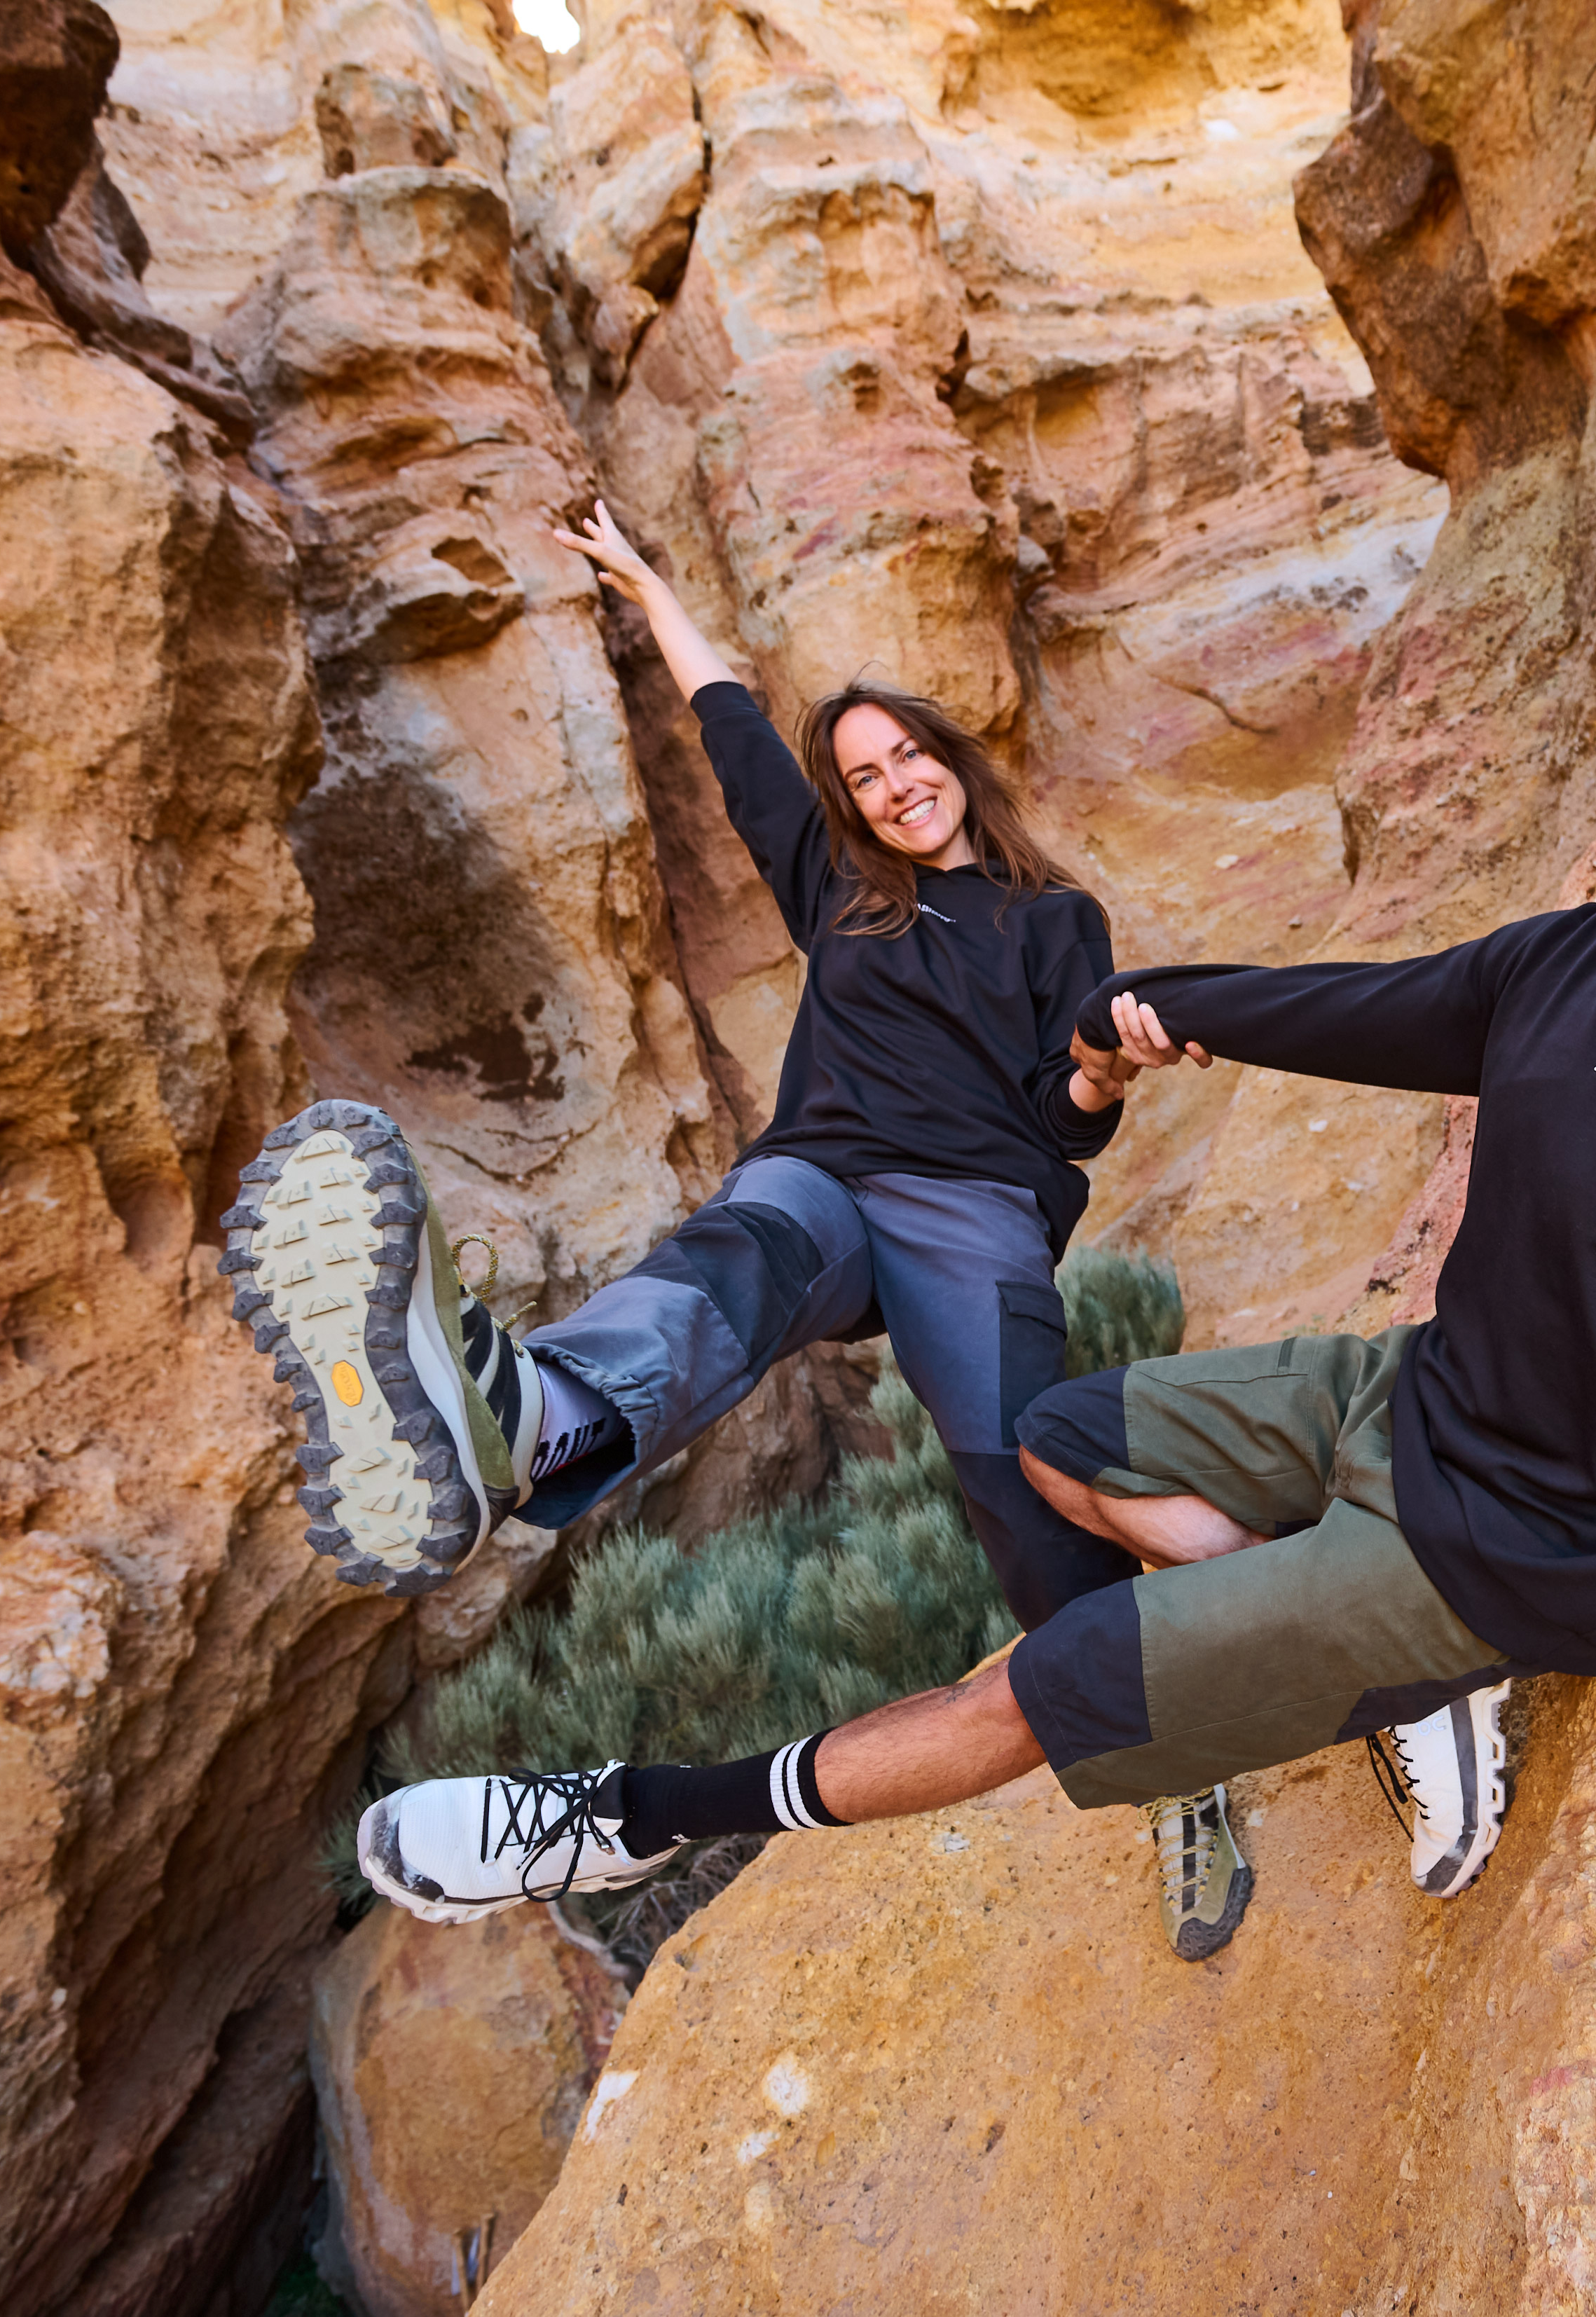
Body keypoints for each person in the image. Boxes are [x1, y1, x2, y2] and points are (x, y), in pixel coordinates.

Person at [348, 551, 1596, 1992]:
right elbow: (1380, 1008)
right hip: (1413, 1398)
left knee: (1032, 1690)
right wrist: (1167, 1015)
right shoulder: (1581, 965)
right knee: (1060, 1432)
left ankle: (614, 1820)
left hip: (1516, 1550)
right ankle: (1328, 1662)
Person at [231, 503, 1230, 1957]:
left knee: (1032, 1487)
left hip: (974, 1212)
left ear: (953, 763)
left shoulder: (1051, 918)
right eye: (866, 777)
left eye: (910, 757)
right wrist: (646, 581)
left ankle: (1171, 1764)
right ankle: (541, 1418)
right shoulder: (836, 889)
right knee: (726, 1267)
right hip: (822, 1173)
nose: (894, 788)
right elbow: (733, 732)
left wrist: (1096, 1069)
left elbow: (1066, 1117)